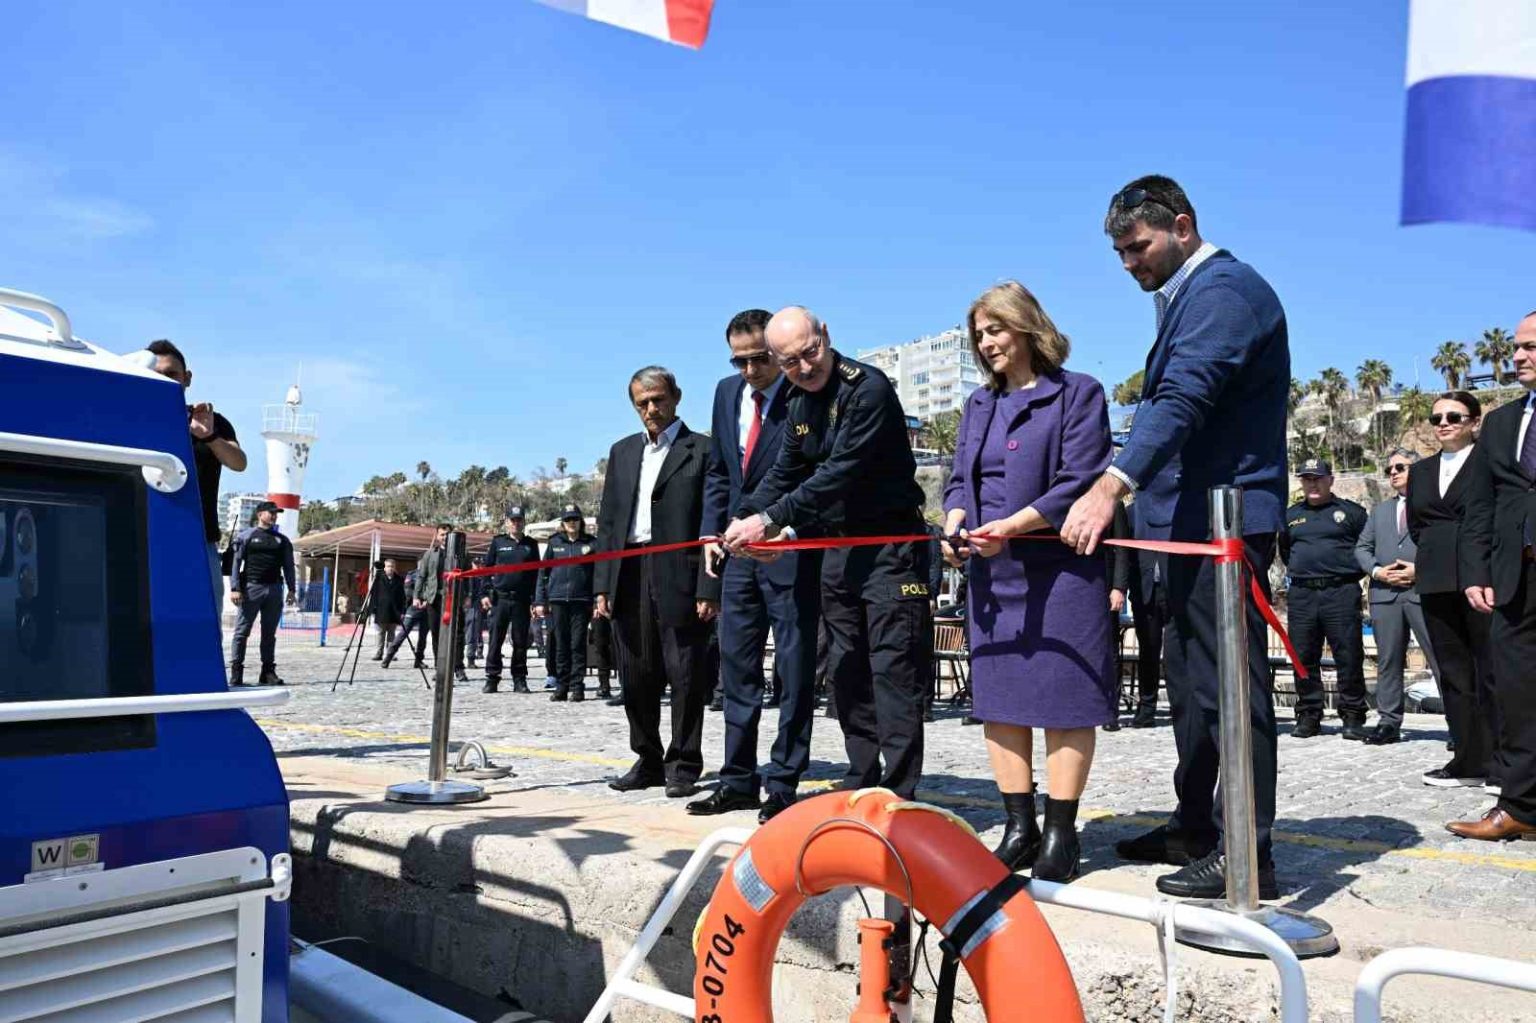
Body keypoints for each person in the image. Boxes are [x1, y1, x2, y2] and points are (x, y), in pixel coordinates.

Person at [1061, 175, 1290, 900]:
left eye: (1139, 246)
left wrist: (1111, 485)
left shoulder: (1224, 293)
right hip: (1182, 525)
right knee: (1191, 690)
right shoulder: (1185, 297)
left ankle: (1246, 848)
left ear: (1182, 226)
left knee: (1230, 687)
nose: (1130, 263)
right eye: (1120, 253)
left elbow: (1183, 397)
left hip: (1224, 523)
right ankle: (1195, 824)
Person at [940, 281, 1115, 881]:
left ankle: (1061, 831)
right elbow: (959, 480)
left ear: (1027, 326)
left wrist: (1012, 527)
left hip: (1061, 573)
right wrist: (955, 521)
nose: (986, 342)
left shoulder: (1079, 393)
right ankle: (1019, 827)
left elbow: (1080, 478)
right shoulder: (977, 405)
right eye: (979, 334)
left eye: (996, 329)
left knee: (1066, 701)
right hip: (994, 575)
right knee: (1001, 702)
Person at [722, 307, 932, 800]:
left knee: (892, 672)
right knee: (846, 669)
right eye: (789, 362)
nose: (804, 367)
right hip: (838, 549)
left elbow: (838, 473)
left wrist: (771, 521)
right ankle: (862, 776)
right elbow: (785, 472)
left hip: (889, 548)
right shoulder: (797, 400)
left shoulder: (868, 389)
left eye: (810, 352)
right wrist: (744, 518)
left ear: (826, 336)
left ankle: (900, 792)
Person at [688, 308, 821, 824]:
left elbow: (812, 472)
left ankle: (783, 780)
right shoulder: (727, 394)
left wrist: (786, 530)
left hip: (787, 548)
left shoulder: (803, 392)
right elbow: (720, 471)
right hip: (737, 552)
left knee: (793, 668)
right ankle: (737, 778)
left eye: (759, 359)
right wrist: (710, 533)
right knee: (737, 667)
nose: (749, 371)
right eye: (738, 361)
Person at [595, 367, 715, 798]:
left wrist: (708, 586)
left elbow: (712, 521)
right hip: (628, 571)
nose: (651, 409)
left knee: (686, 674)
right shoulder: (623, 451)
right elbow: (609, 522)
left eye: (658, 399)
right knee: (635, 674)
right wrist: (603, 584)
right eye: (642, 403)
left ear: (676, 397)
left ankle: (683, 763)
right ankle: (647, 758)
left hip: (680, 572)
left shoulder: (703, 450)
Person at [1455, 313, 1536, 840]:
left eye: (1531, 347)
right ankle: (1522, 807)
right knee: (1517, 696)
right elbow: (1480, 505)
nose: (1519, 356)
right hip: (1514, 579)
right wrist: (1476, 571)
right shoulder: (1503, 423)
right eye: (1517, 347)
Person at [1409, 392, 1498, 789]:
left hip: (1482, 577)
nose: (1443, 423)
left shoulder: (1489, 462)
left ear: (1474, 422)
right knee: (1453, 673)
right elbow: (1417, 525)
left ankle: (1501, 761)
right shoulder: (1421, 471)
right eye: (1437, 418)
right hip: (1435, 578)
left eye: (1453, 416)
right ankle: (1467, 759)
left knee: (1490, 670)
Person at [146, 340, 248, 622]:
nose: (164, 380)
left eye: (171, 374)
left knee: (205, 622)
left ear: (187, 378)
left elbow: (238, 462)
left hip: (200, 540)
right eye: (155, 374)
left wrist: (209, 436)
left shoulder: (212, 422)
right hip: (144, 536)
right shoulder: (133, 420)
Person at [1279, 459, 1370, 739]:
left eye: (1318, 478)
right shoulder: (1291, 516)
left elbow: (1366, 547)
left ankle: (1353, 716)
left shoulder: (1352, 513)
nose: (1313, 484)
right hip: (1302, 594)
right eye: (1307, 479)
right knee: (1303, 656)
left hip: (1340, 591)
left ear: (1330, 480)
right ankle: (1309, 715)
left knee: (1348, 655)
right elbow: (1285, 551)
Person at [1356, 451, 1439, 745]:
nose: (1393, 472)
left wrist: (1420, 570)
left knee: (1440, 658)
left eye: (1400, 467)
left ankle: (1460, 724)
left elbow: (1445, 545)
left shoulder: (1434, 505)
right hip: (1385, 595)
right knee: (1388, 661)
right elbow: (1362, 548)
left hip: (1423, 592)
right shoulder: (1380, 511)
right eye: (1389, 468)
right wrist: (1378, 572)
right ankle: (1388, 722)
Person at [228, 501, 295, 687]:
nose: (274, 516)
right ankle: (236, 672)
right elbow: (236, 563)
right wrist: (235, 588)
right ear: (260, 514)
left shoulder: (282, 540)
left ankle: (267, 672)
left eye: (276, 513)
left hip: (274, 589)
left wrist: (292, 589)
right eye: (270, 512)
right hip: (251, 588)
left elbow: (289, 566)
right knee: (242, 632)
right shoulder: (246, 536)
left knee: (269, 634)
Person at [535, 503, 597, 702]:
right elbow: (543, 573)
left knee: (577, 644)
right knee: (561, 645)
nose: (572, 523)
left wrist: (597, 600)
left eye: (575, 519)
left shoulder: (591, 544)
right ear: (563, 523)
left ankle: (577, 686)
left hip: (581, 600)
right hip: (558, 600)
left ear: (580, 521)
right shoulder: (554, 543)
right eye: (568, 519)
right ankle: (562, 686)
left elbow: (598, 574)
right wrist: (540, 601)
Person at [383, 524, 459, 674]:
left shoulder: (455, 555)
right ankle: (388, 656)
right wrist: (418, 597)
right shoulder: (417, 570)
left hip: (438, 602)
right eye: (442, 534)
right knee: (404, 633)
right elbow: (411, 587)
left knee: (424, 636)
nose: (444, 537)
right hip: (419, 606)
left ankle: (420, 660)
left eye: (447, 534)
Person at [482, 506, 540, 694]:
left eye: (519, 520)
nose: (516, 523)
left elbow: (537, 574)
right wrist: (484, 593)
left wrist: (536, 600)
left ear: (524, 522)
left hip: (522, 600)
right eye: (513, 520)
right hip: (500, 599)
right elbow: (487, 569)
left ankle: (519, 679)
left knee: (521, 641)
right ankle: (492, 678)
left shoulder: (531, 544)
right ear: (507, 522)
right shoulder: (498, 542)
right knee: (495, 640)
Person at [1125, 501, 1167, 729]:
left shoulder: (1175, 508)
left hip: (1175, 592)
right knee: (1148, 652)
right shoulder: (1132, 513)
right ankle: (1147, 708)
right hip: (1145, 593)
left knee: (1180, 653)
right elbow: (1125, 555)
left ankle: (1184, 707)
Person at [1102, 500, 1134, 732]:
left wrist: (1119, 587)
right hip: (1073, 587)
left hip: (1104, 586)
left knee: (1109, 650)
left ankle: (1110, 710)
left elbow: (1122, 548)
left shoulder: (1113, 504)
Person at [366, 558, 407, 660]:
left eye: (392, 566)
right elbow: (374, 594)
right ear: (384, 568)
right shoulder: (378, 578)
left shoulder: (399, 580)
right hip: (381, 610)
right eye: (388, 566)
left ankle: (390, 653)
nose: (390, 568)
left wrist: (402, 611)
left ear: (395, 568)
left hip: (394, 611)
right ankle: (379, 653)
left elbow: (403, 597)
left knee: (391, 633)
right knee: (380, 633)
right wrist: (372, 609)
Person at [463, 557, 486, 668]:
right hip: (469, 607)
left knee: (475, 633)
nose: (477, 566)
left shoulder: (482, 577)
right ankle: (468, 658)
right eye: (476, 563)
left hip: (477, 607)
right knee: (470, 633)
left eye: (479, 564)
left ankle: (473, 656)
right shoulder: (468, 576)